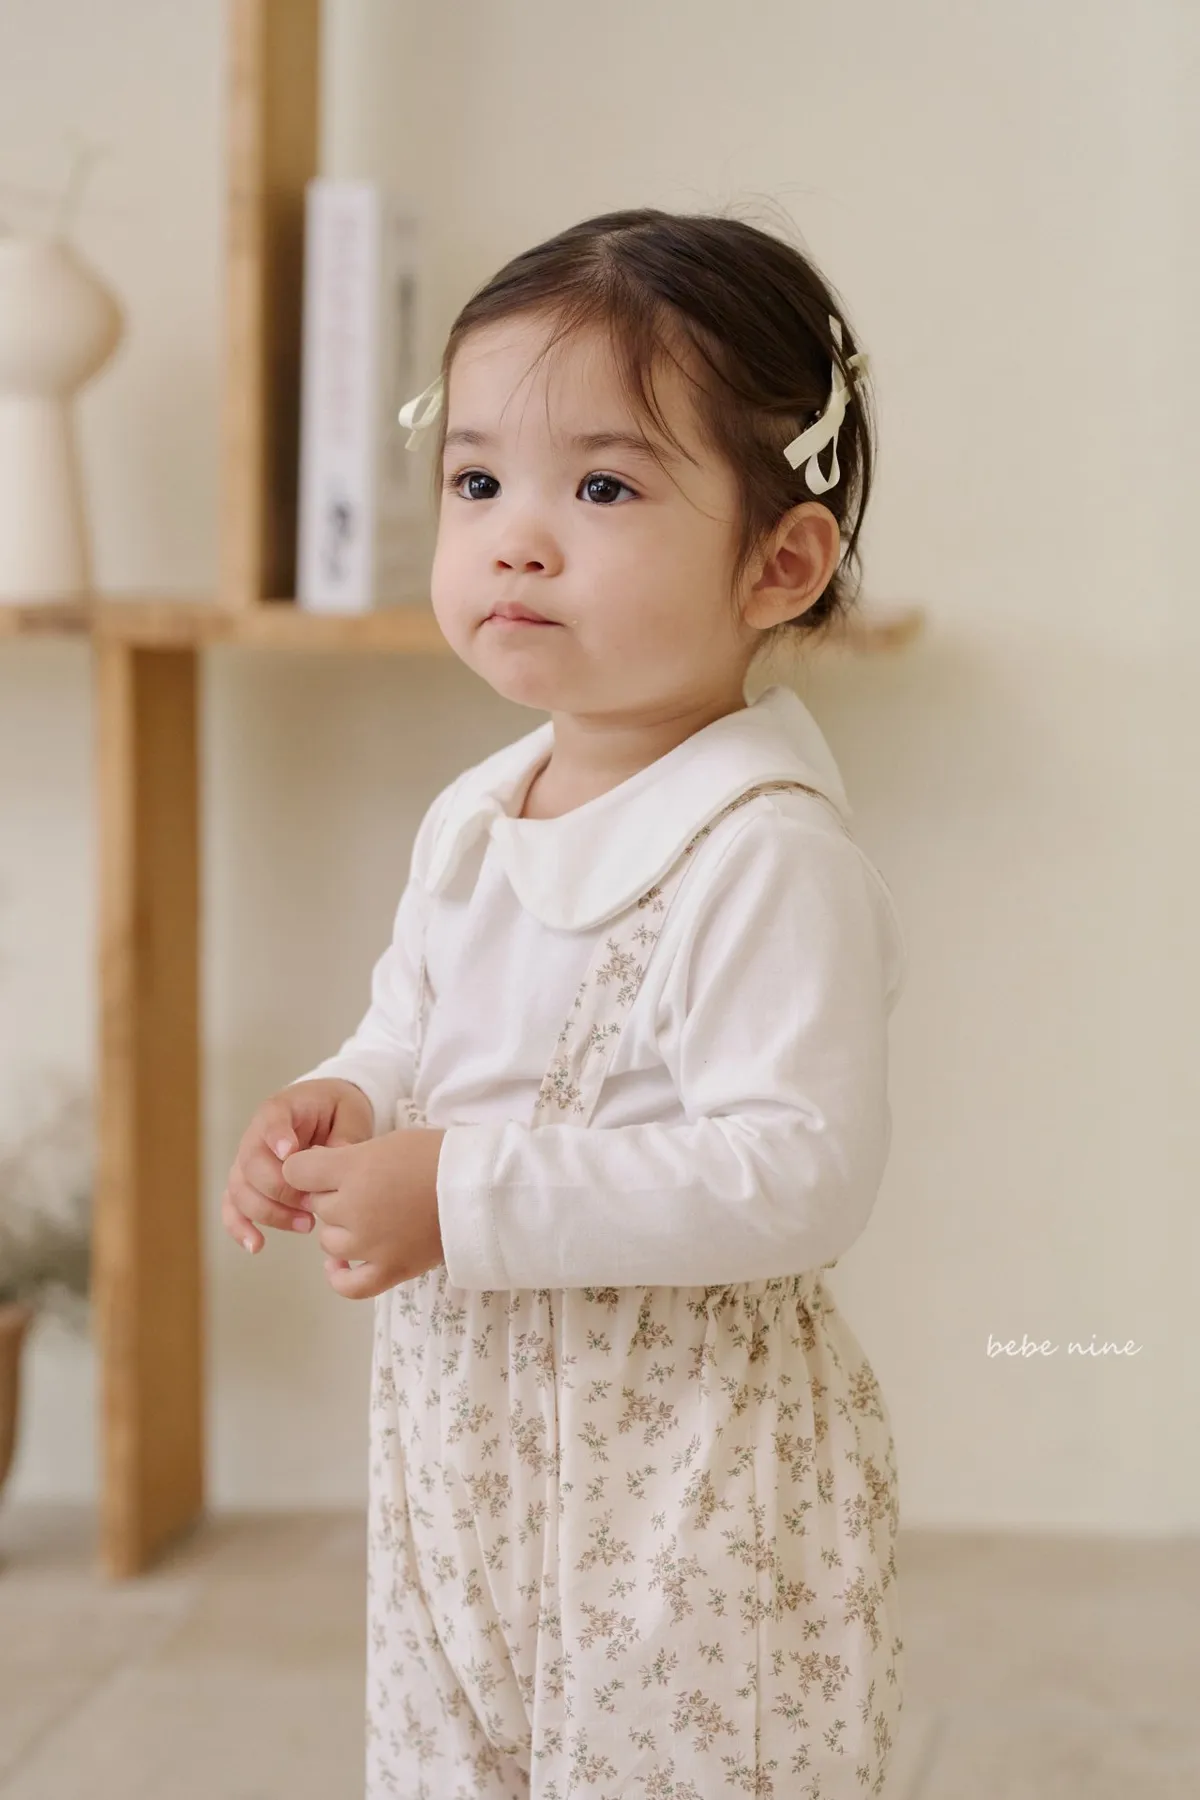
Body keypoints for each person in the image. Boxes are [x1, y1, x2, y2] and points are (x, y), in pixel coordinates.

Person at [221, 206, 909, 1799]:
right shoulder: (477, 817)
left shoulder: (763, 855)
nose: (517, 538)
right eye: (478, 484)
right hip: (463, 1444)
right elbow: (416, 1026)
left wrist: (459, 1192)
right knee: (456, 1759)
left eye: (602, 488)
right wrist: (351, 1098)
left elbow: (797, 1172)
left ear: (781, 562)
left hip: (681, 1481)